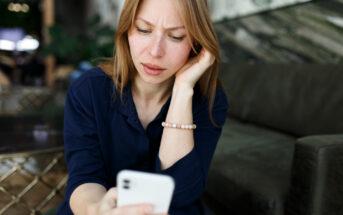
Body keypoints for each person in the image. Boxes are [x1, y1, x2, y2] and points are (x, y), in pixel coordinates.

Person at [57, 0, 229, 214]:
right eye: (144, 30)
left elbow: (181, 193)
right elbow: (84, 177)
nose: (156, 51)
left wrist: (183, 90)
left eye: (176, 36)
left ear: (197, 42)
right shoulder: (88, 91)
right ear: (127, 30)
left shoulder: (210, 100)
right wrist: (97, 210)